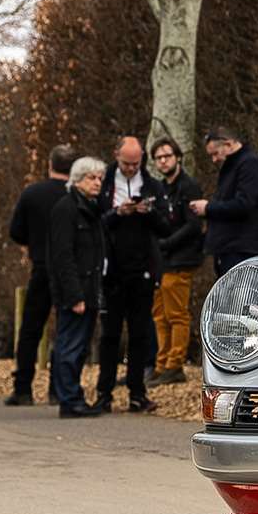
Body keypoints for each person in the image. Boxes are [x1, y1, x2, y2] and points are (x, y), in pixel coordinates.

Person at [93, 135, 161, 413]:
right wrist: (116, 212)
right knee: (109, 335)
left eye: (136, 163)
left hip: (142, 268)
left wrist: (146, 212)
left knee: (140, 333)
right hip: (112, 270)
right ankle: (104, 392)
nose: (132, 168)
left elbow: (165, 226)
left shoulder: (152, 185)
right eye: (126, 163)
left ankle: (137, 392)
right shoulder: (103, 183)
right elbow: (94, 221)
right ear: (116, 156)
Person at [4, 144, 75, 406]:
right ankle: (59, 388)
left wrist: (33, 243)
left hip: (42, 265)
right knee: (65, 328)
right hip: (69, 269)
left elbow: (16, 231)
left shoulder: (32, 194)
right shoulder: (74, 196)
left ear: (49, 165)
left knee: (31, 328)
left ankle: (23, 387)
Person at [44, 158, 107, 416]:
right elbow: (62, 256)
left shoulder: (90, 209)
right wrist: (74, 295)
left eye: (100, 178)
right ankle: (68, 399)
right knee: (69, 346)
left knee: (79, 347)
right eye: (92, 178)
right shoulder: (66, 209)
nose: (97, 183)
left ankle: (72, 395)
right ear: (78, 179)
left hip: (90, 287)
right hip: (76, 291)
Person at [148, 138, 202, 384]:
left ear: (177, 157)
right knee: (159, 313)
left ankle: (175, 364)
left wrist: (167, 243)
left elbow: (193, 225)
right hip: (162, 260)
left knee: (177, 313)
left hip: (181, 258)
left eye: (167, 156)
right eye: (158, 158)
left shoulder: (188, 187)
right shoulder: (160, 189)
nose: (163, 161)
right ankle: (161, 364)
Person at [191, 124, 258, 275]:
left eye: (215, 153)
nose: (214, 159)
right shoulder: (231, 166)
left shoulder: (249, 164)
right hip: (227, 248)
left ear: (228, 144)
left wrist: (208, 208)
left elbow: (244, 205)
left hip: (240, 249)